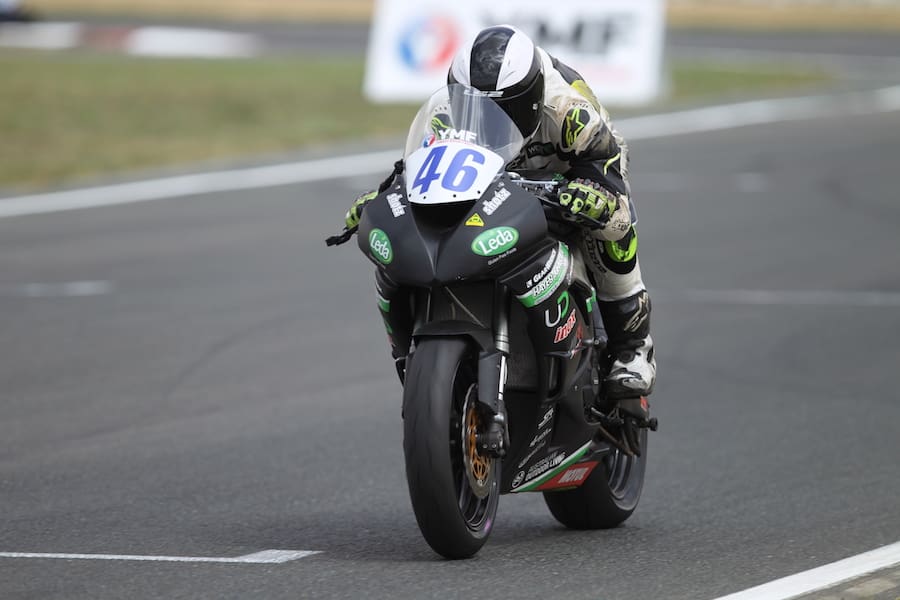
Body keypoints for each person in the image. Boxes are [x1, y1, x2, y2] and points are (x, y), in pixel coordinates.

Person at [345, 25, 655, 413]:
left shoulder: (570, 114)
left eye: (503, 110)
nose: (487, 119)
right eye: (474, 106)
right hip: (494, 173)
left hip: (571, 168)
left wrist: (592, 195)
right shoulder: (445, 112)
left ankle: (633, 348)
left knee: (611, 225)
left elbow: (607, 180)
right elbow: (421, 167)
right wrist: (387, 194)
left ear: (530, 101)